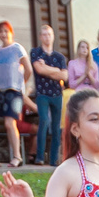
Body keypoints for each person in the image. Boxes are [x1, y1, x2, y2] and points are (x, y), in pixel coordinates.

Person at [0, 18, 29, 168]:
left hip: (15, 92)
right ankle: (15, 155)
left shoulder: (17, 48)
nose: (3, 34)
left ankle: (17, 156)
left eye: (6, 31)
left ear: (11, 32)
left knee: (10, 122)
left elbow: (28, 69)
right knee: (8, 125)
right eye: (0, 31)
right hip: (1, 91)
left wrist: (21, 84)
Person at [31, 22, 70, 165]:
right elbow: (38, 70)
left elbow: (65, 77)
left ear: (53, 37)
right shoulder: (36, 53)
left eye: (49, 34)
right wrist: (56, 71)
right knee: (44, 121)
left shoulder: (59, 57)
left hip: (56, 94)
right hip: (42, 93)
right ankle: (40, 157)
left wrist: (47, 68)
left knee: (56, 126)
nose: (47, 37)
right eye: (45, 34)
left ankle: (54, 159)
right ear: (41, 37)